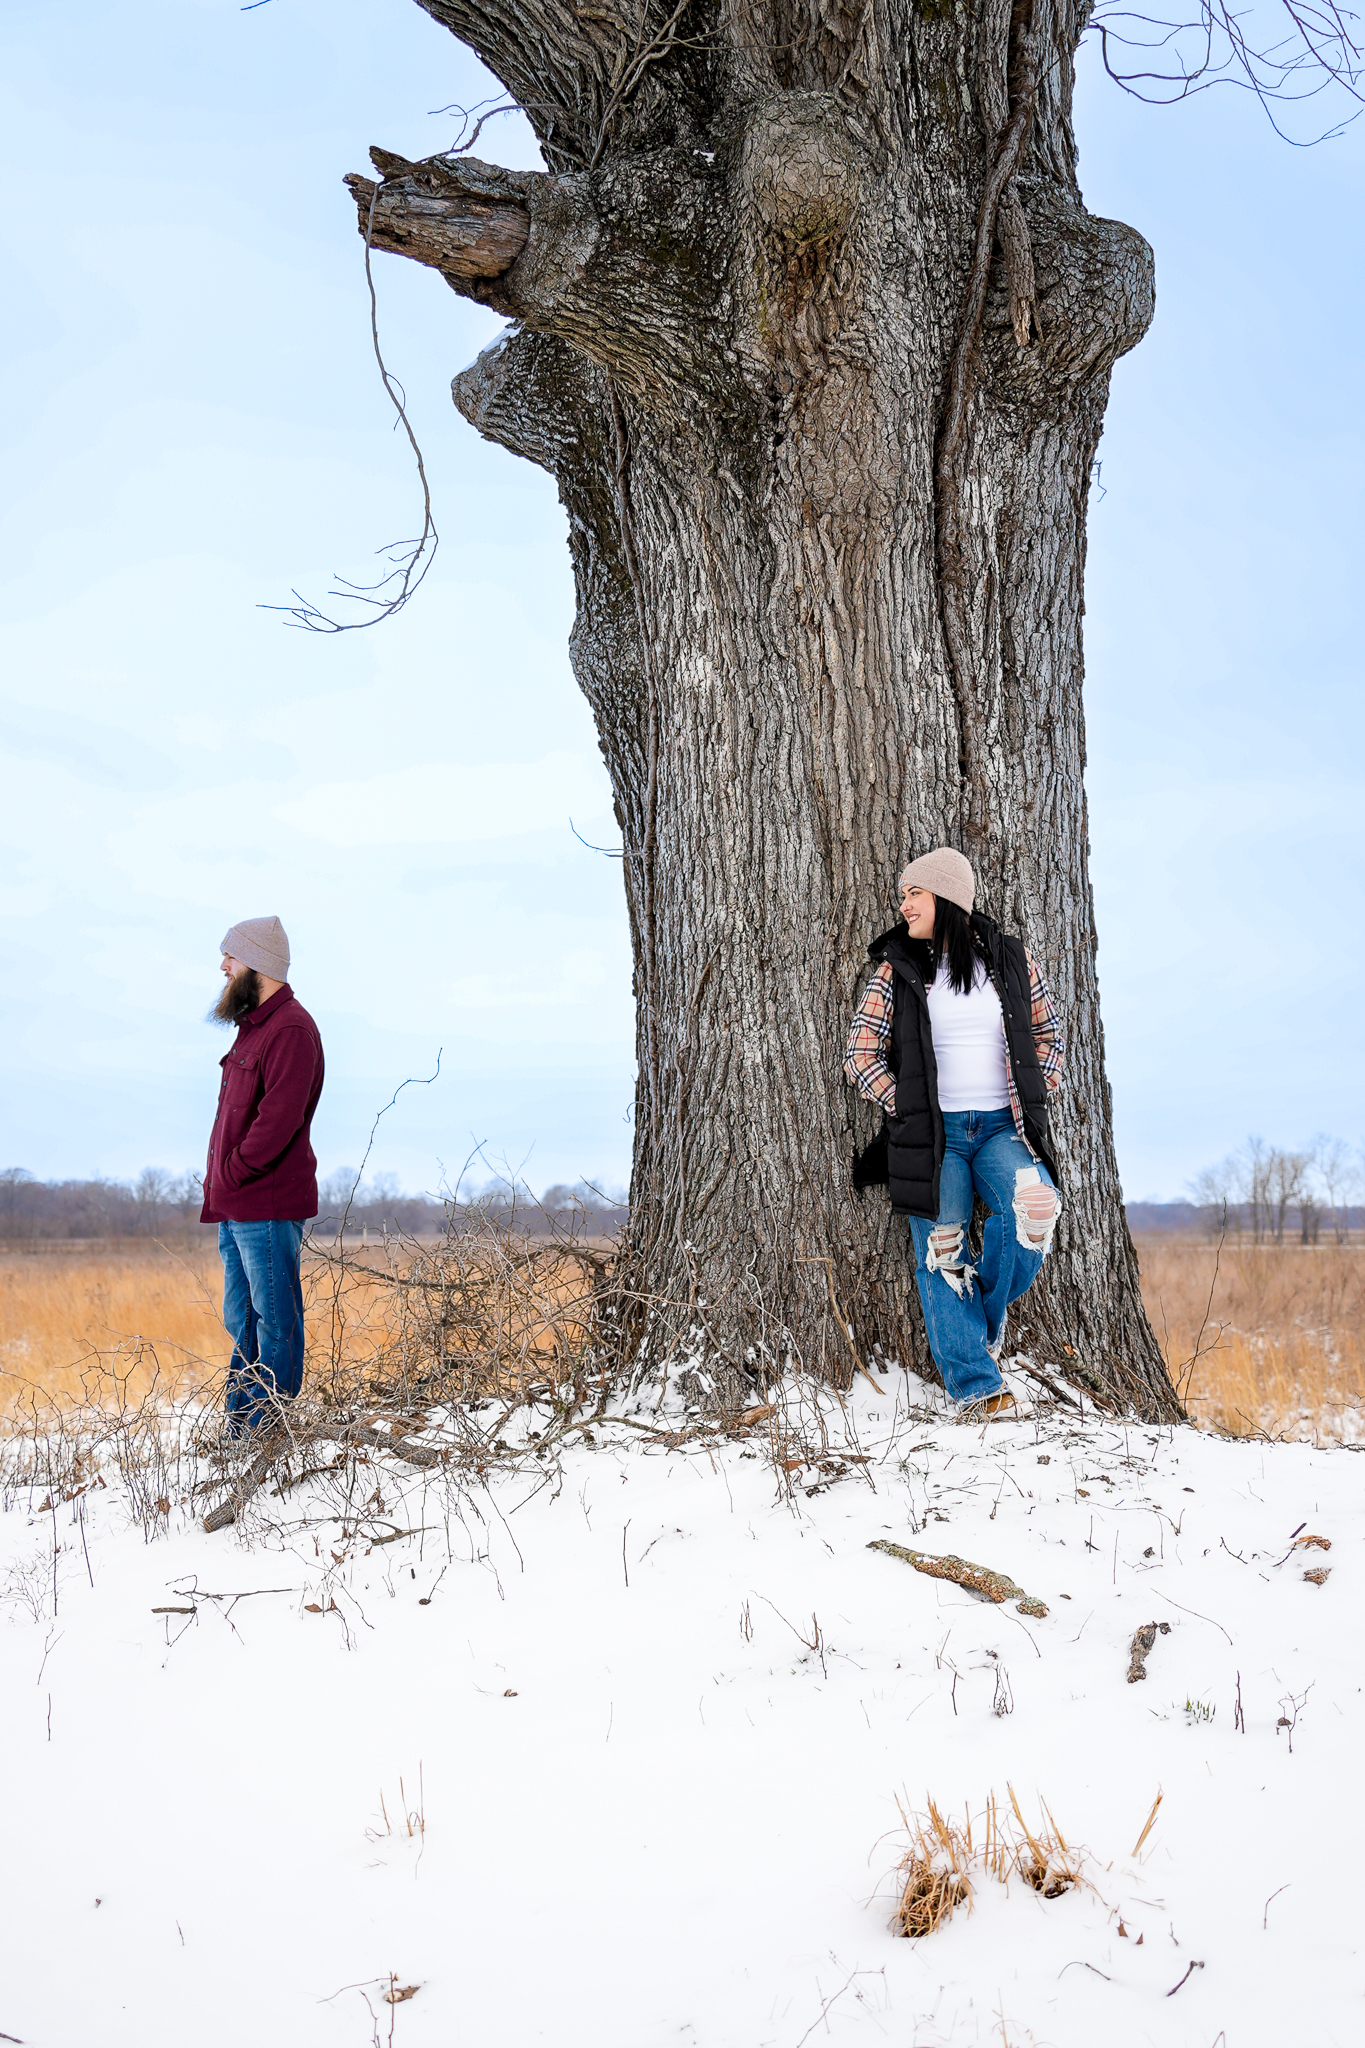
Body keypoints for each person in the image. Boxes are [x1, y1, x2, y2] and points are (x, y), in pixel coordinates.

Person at [843, 848, 1064, 1420]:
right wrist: (910, 1107)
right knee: (943, 1249)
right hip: (934, 1136)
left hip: (1001, 1128)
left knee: (1035, 1210)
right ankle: (976, 1386)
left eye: (914, 892)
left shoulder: (1010, 960)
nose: (903, 904)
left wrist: (1030, 1090)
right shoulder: (897, 968)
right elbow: (861, 1055)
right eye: (903, 894)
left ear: (946, 896)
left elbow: (1049, 1038)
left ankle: (980, 1317)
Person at [200, 917, 325, 1435]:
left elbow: (278, 1120)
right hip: (236, 1204)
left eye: (231, 956)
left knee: (275, 1323)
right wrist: (221, 1184)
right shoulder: (254, 1029)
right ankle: (241, 1432)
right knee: (244, 1321)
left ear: (258, 964)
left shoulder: (290, 1029)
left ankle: (267, 1432)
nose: (223, 966)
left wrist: (232, 1172)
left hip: (266, 1203)